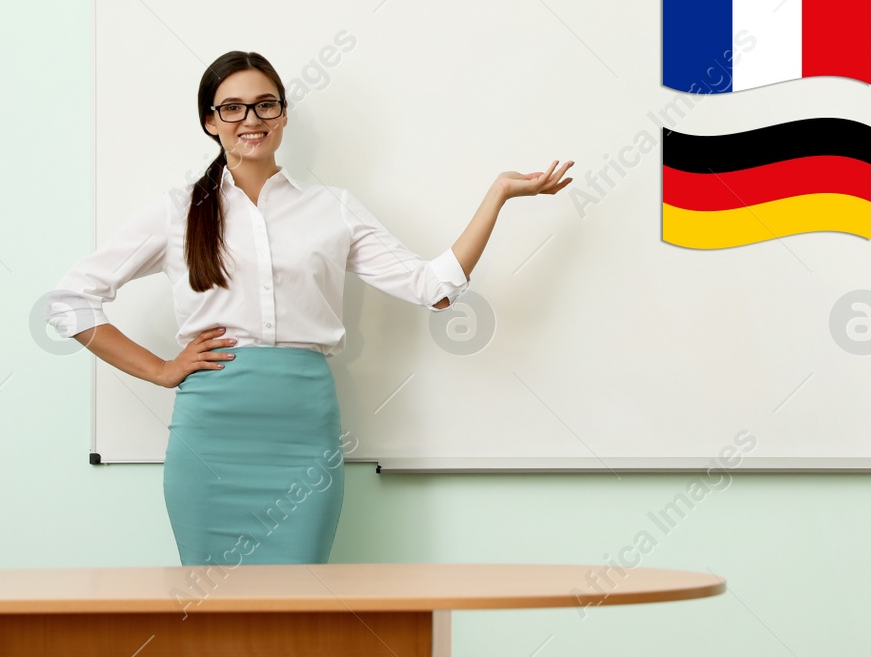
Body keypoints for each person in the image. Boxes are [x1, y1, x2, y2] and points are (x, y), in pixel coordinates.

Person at [43, 49, 571, 567]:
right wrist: (161, 370)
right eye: (232, 107)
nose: (250, 119)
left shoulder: (331, 209)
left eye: (265, 104)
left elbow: (434, 288)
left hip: (302, 435)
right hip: (210, 438)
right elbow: (69, 301)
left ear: (283, 115)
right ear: (210, 121)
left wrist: (499, 193)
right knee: (209, 619)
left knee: (296, 613)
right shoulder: (178, 210)